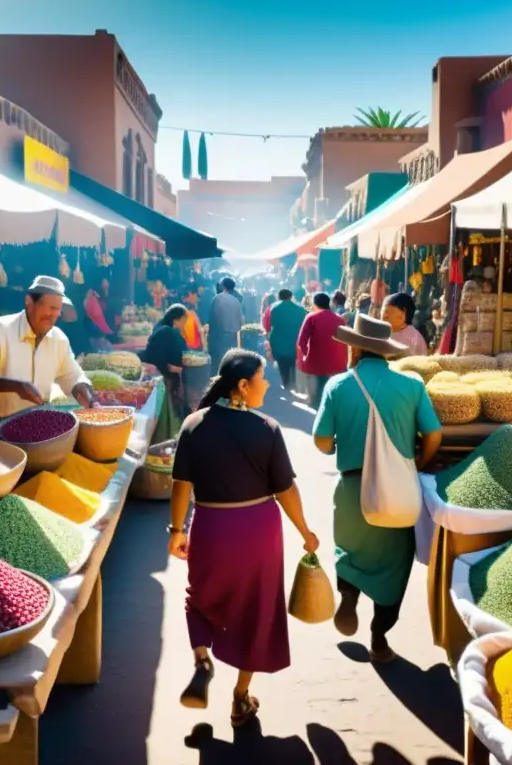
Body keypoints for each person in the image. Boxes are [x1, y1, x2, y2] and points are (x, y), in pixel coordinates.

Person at [169, 349, 319, 726]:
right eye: (262, 377)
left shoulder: (193, 424)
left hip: (211, 527)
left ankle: (202, 657)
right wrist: (305, 531)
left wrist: (176, 531)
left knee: (200, 598)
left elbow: (180, 484)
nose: (266, 384)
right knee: (257, 611)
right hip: (258, 532)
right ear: (242, 386)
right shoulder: (266, 428)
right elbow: (285, 490)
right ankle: (239, 698)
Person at [313, 315, 443, 662]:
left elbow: (321, 440)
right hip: (398, 491)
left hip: (353, 489)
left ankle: (350, 596)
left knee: (349, 551)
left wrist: (334, 447)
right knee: (394, 565)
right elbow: (434, 435)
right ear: (386, 351)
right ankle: (379, 638)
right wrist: (419, 462)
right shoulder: (412, 386)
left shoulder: (338, 386)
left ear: (354, 347)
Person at [0, 275, 97, 419]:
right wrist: (16, 386)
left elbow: (71, 375)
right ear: (29, 302)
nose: (53, 315)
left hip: (38, 422)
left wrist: (83, 389)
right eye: (50, 307)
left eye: (58, 309)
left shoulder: (58, 338)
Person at [142, 304, 189, 440]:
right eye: (183, 321)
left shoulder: (160, 327)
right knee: (166, 408)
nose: (184, 325)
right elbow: (168, 359)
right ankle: (166, 434)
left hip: (152, 371)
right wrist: (180, 369)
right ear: (175, 320)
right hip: (162, 374)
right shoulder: (169, 332)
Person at [297, 292, 347, 408]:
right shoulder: (339, 319)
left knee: (317, 394)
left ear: (314, 304)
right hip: (337, 362)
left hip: (317, 361)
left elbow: (301, 341)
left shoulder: (311, 317)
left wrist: (305, 356)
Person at [267, 289, 307, 391]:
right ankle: (293, 382)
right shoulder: (300, 309)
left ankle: (285, 383)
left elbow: (272, 325)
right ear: (291, 296)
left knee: (282, 363)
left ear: (279, 297)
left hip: (279, 340)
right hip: (294, 339)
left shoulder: (274, 309)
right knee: (293, 361)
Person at [207, 277, 244, 368]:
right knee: (230, 363)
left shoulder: (217, 299)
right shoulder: (236, 301)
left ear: (223, 286)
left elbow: (212, 320)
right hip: (233, 338)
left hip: (219, 338)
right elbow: (240, 322)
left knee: (218, 365)